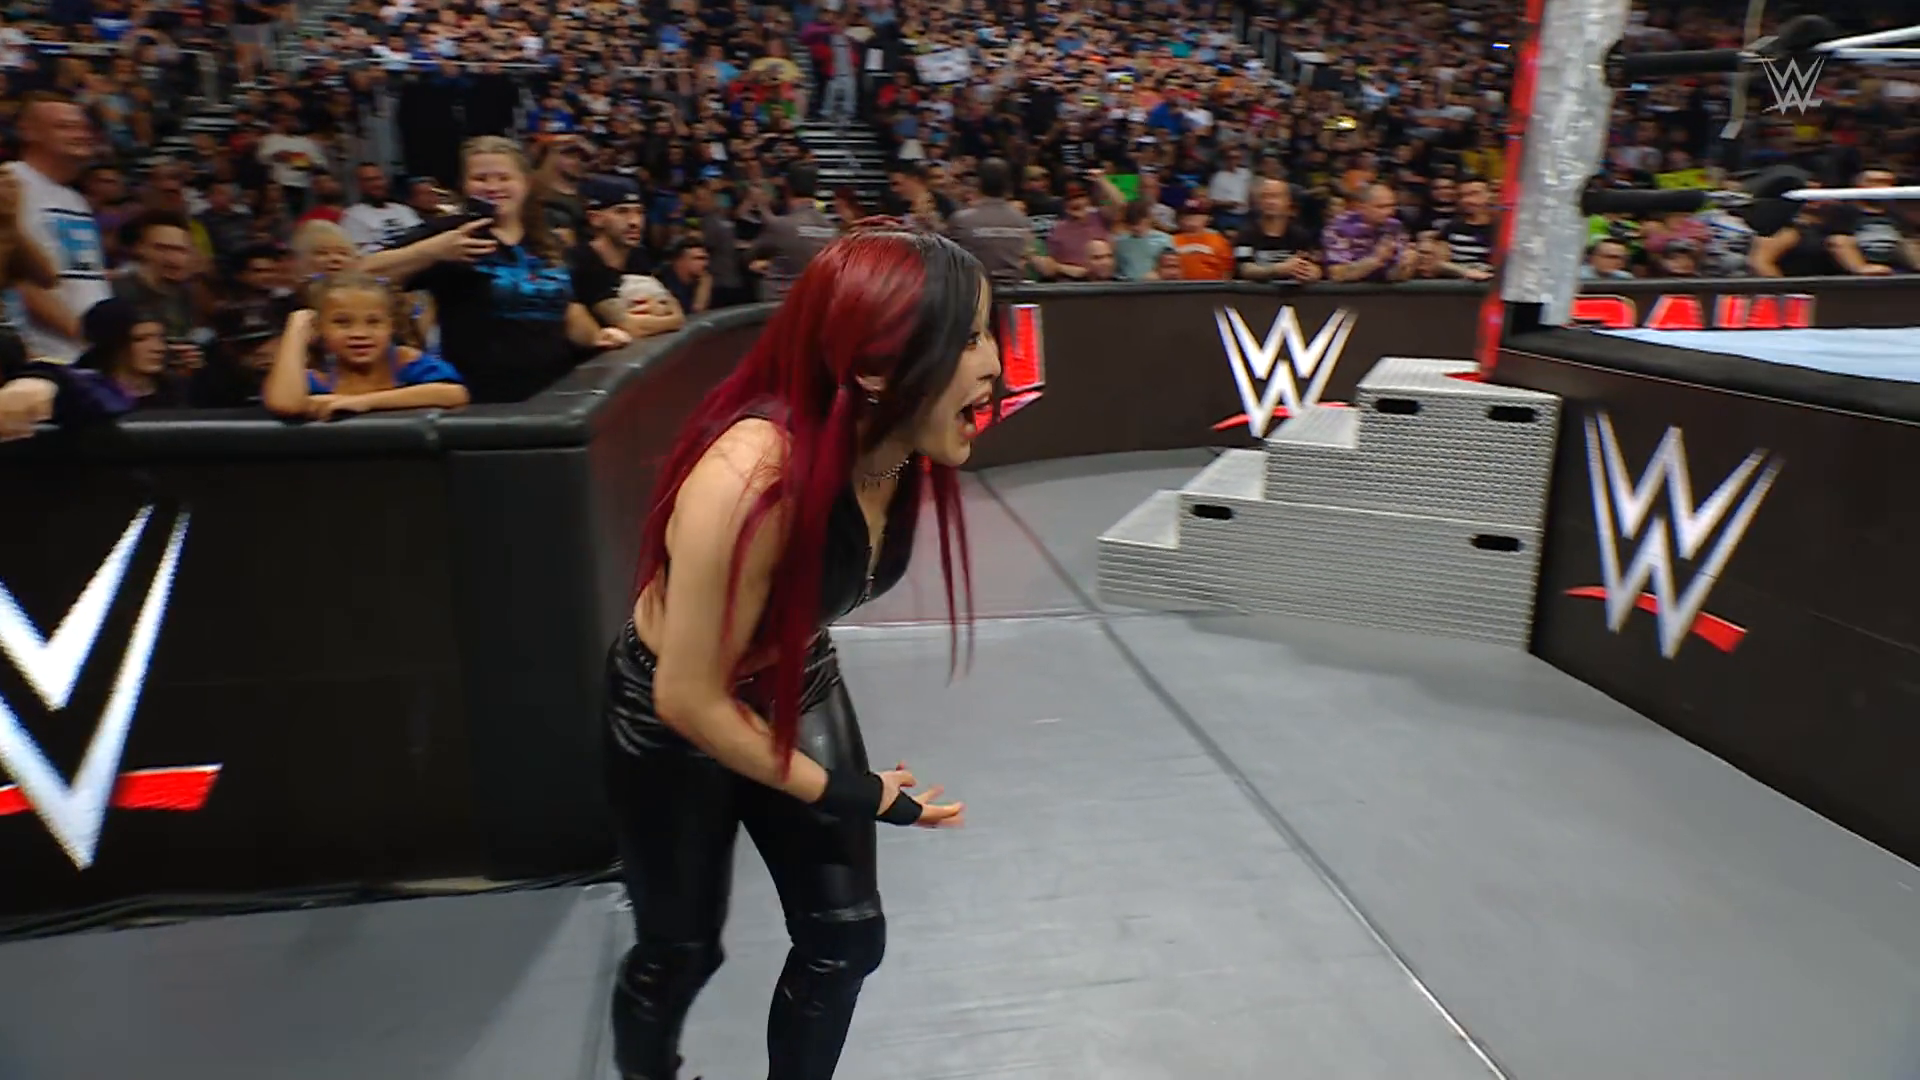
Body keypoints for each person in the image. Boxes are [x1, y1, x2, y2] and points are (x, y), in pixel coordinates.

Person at [603, 221, 998, 1080]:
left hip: (791, 672)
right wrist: (851, 791)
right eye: (967, 340)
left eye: (986, 332)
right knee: (680, 950)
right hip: (669, 711)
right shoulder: (750, 478)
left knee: (846, 937)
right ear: (876, 369)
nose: (994, 363)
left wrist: (837, 785)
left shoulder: (895, 448)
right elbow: (690, 698)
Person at [263, 272, 469, 422]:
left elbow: (454, 394)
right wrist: (296, 329)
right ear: (319, 327)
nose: (359, 334)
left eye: (373, 322)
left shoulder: (404, 361)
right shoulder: (319, 374)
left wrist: (363, 402)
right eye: (342, 322)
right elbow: (285, 404)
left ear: (391, 326)